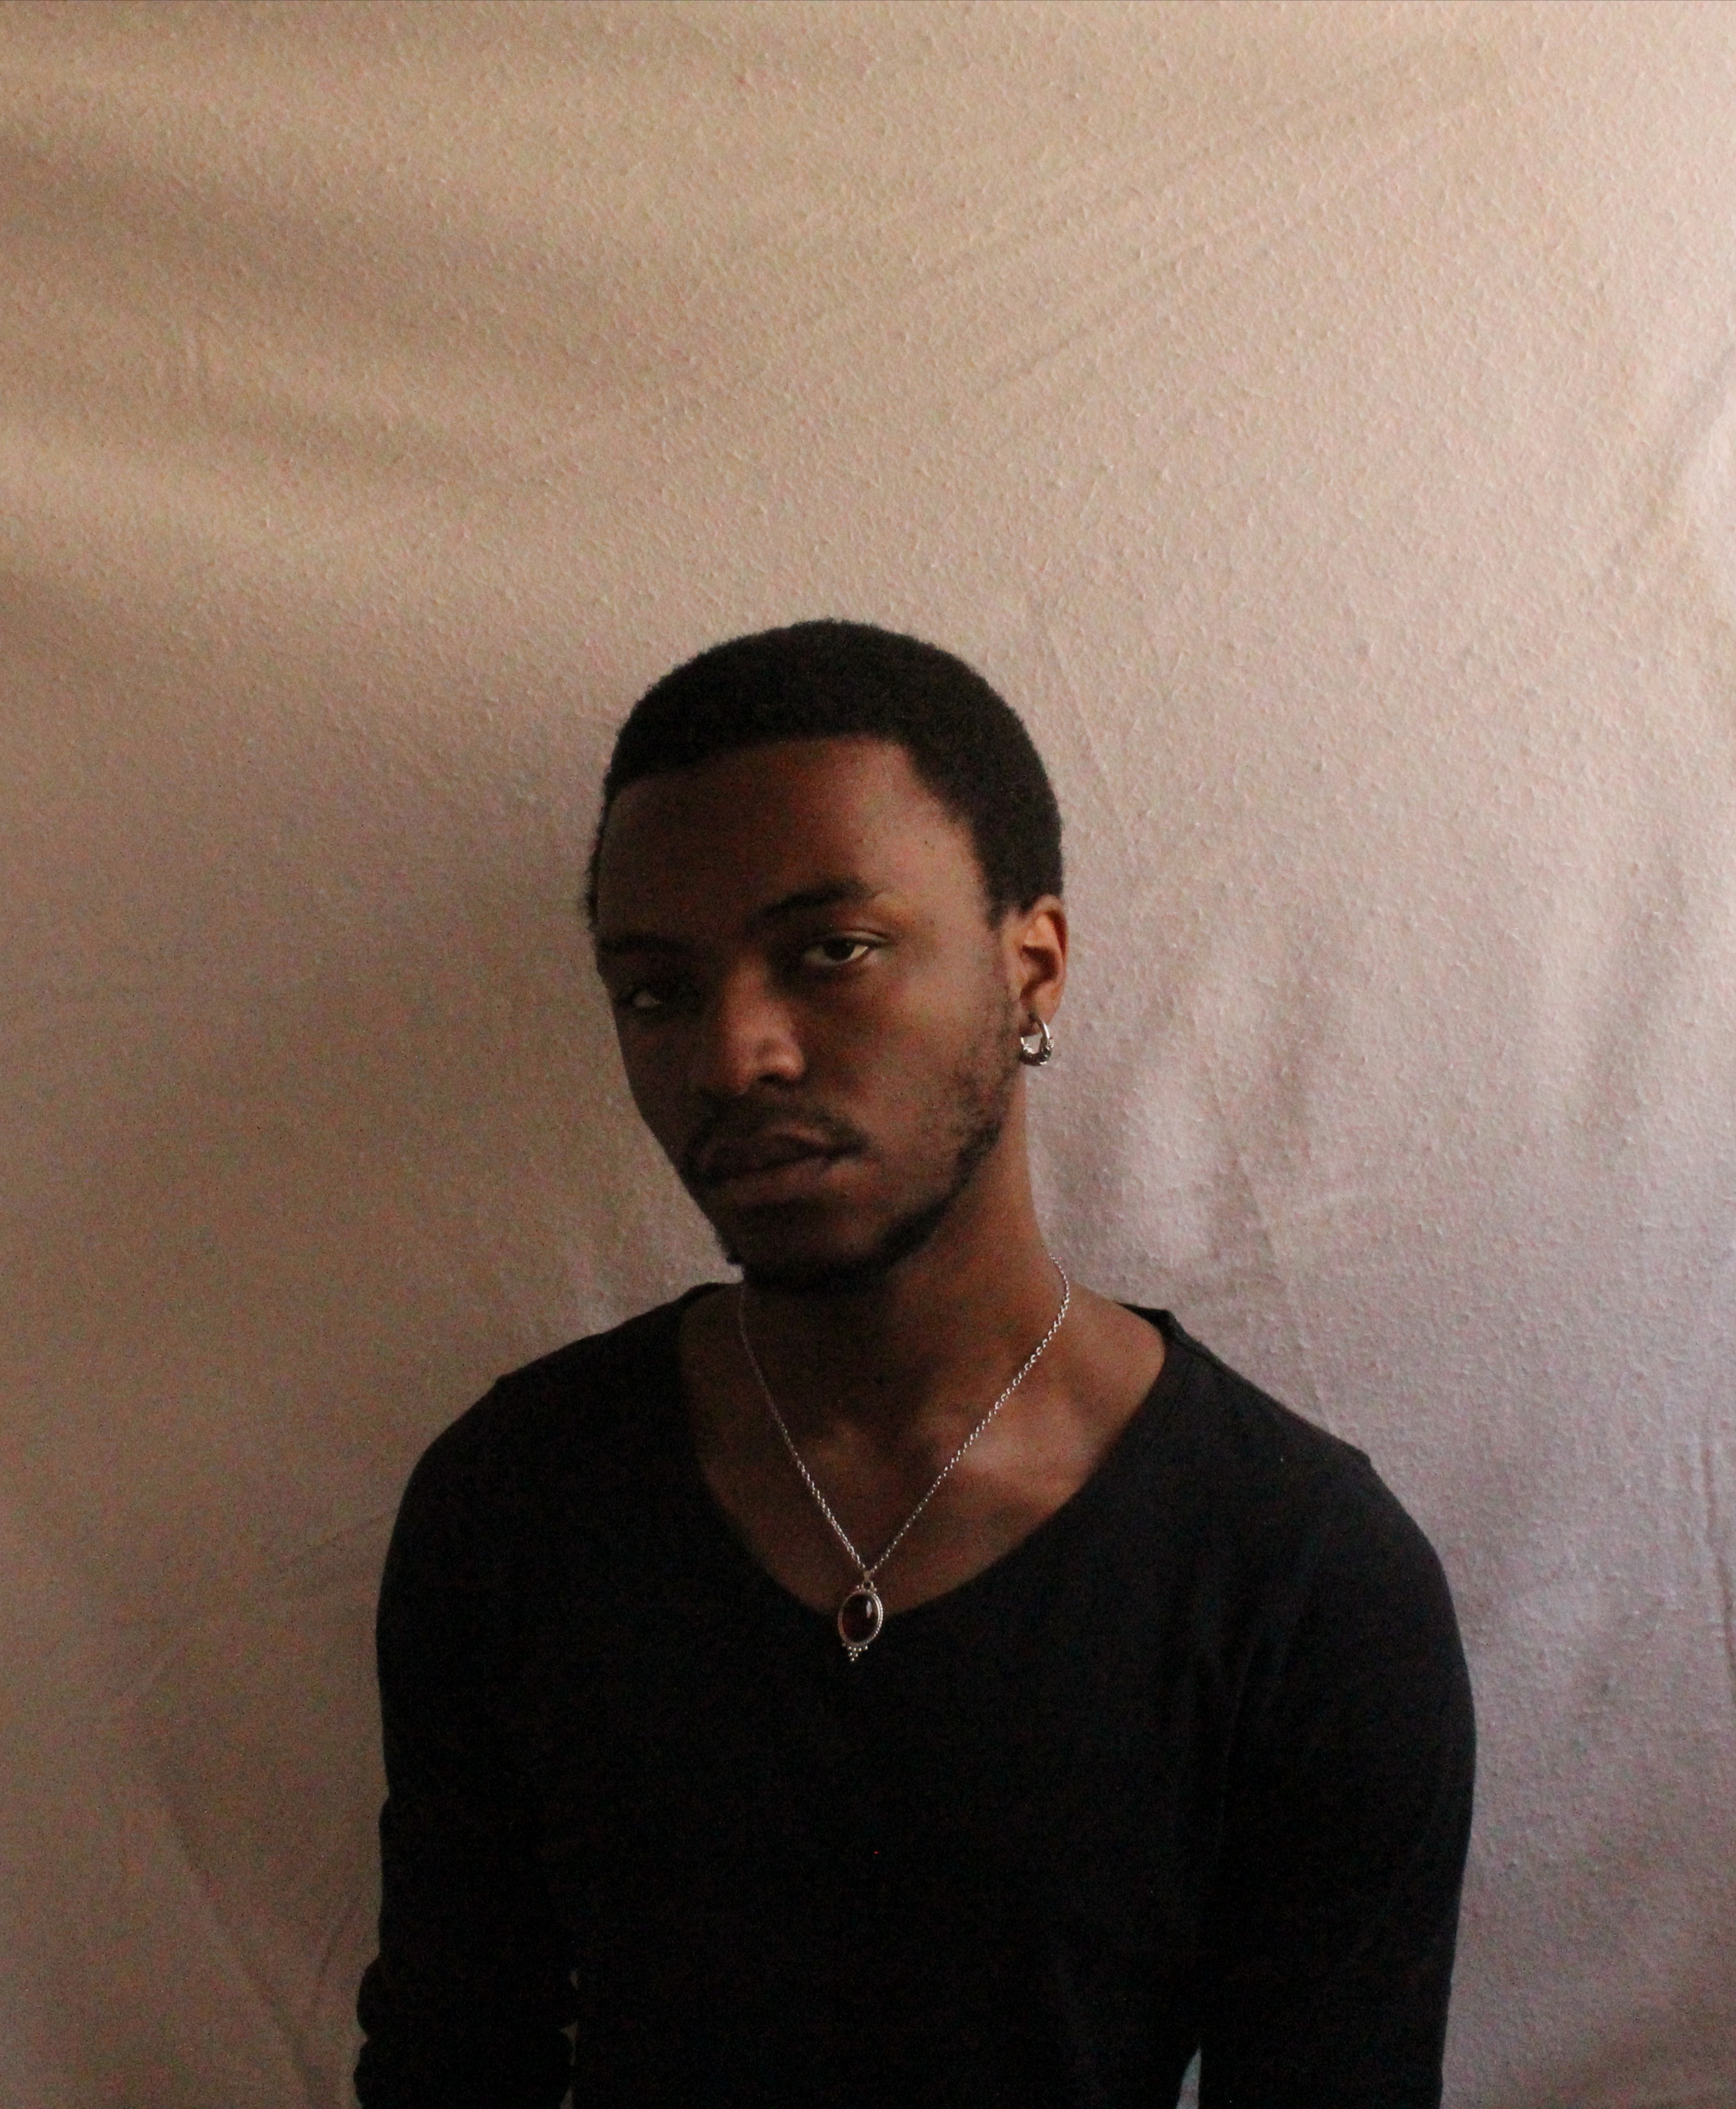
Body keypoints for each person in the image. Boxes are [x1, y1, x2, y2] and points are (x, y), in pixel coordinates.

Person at [355, 620, 1475, 2108]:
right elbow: (449, 2059)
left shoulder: (1298, 1581)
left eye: (834, 951)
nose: (733, 1054)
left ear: (1032, 968)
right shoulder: (515, 1503)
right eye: (656, 991)